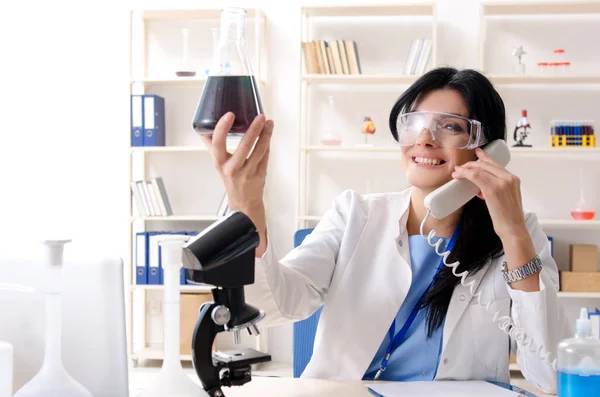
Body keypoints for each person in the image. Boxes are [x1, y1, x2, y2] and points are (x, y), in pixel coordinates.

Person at [199, 67, 571, 394]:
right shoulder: (355, 215)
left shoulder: (519, 234)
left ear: (486, 150)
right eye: (414, 122)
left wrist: (513, 233)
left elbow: (549, 377)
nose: (424, 138)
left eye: (451, 126)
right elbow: (274, 306)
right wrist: (247, 207)